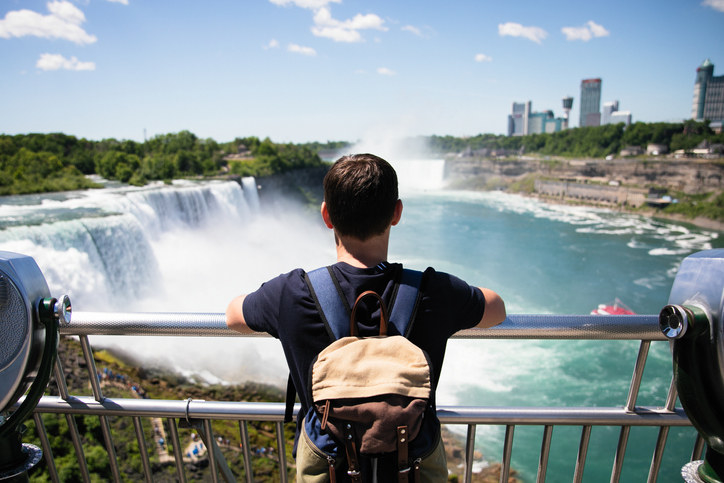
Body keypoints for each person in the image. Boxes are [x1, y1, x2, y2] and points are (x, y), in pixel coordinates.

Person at [226, 153, 506, 481]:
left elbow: (234, 315)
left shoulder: (290, 293)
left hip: (332, 470)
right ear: (396, 213)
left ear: (326, 215)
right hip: (408, 470)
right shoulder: (432, 290)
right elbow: (496, 308)